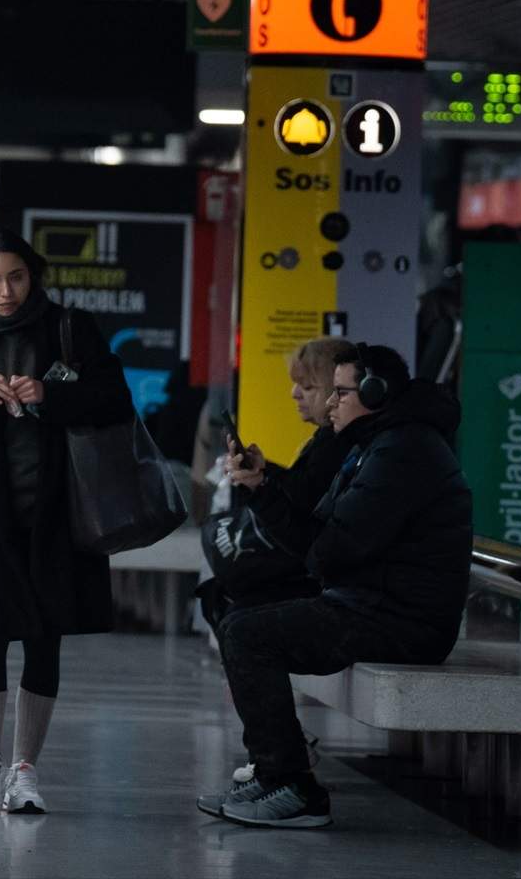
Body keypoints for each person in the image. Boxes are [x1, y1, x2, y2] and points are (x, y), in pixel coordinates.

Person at [198, 344, 471, 830]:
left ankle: (294, 787)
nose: (329, 404)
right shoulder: (377, 445)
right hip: (372, 603)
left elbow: (330, 549)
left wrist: (304, 535)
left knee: (248, 634)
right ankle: (274, 772)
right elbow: (320, 540)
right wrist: (261, 489)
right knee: (239, 620)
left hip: (401, 620)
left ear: (374, 393)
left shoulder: (404, 452)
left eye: (341, 393)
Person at [0, 229, 136, 815]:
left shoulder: (68, 328)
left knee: (45, 636)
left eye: (15, 277)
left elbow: (114, 401)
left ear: (33, 276)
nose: (6, 291)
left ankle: (26, 770)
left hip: (59, 510)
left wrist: (48, 396)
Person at [203, 336, 352, 785]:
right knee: (228, 603)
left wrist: (263, 482)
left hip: (335, 585)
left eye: (306, 386)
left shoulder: (340, 444)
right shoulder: (330, 440)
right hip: (327, 576)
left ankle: (280, 758)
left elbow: (306, 516)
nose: (294, 394)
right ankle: (276, 748)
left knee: (239, 616)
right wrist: (265, 476)